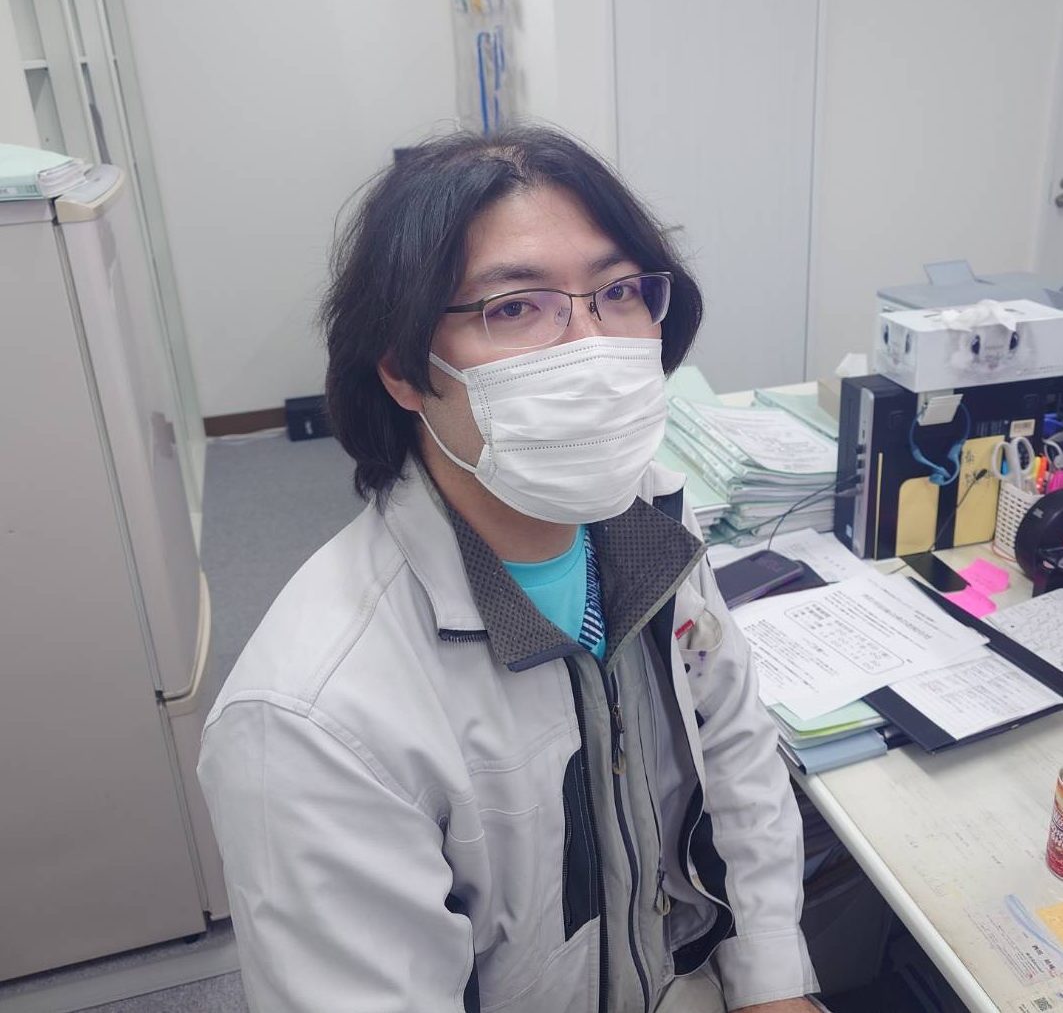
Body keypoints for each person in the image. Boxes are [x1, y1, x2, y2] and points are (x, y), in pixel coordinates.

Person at [198, 126, 826, 1013]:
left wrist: (770, 980)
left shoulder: (647, 521)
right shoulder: (315, 717)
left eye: (618, 291)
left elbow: (734, 748)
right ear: (403, 369)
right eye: (515, 307)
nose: (590, 346)